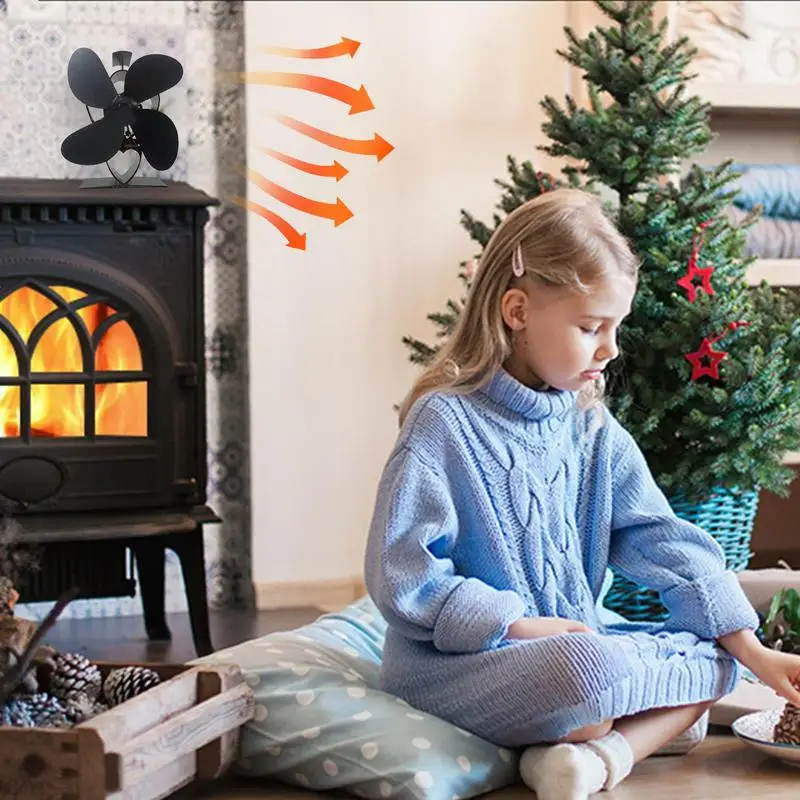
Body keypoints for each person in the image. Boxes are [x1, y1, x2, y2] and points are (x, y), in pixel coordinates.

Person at [364, 188, 800, 800]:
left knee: (719, 659)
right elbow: (401, 574)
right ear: (516, 311)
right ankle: (602, 730)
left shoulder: (591, 427)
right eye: (591, 326)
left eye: (616, 327)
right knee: (589, 676)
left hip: (575, 651)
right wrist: (519, 625)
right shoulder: (444, 423)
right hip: (459, 665)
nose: (611, 348)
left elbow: (664, 539)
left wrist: (755, 653)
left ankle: (594, 760)